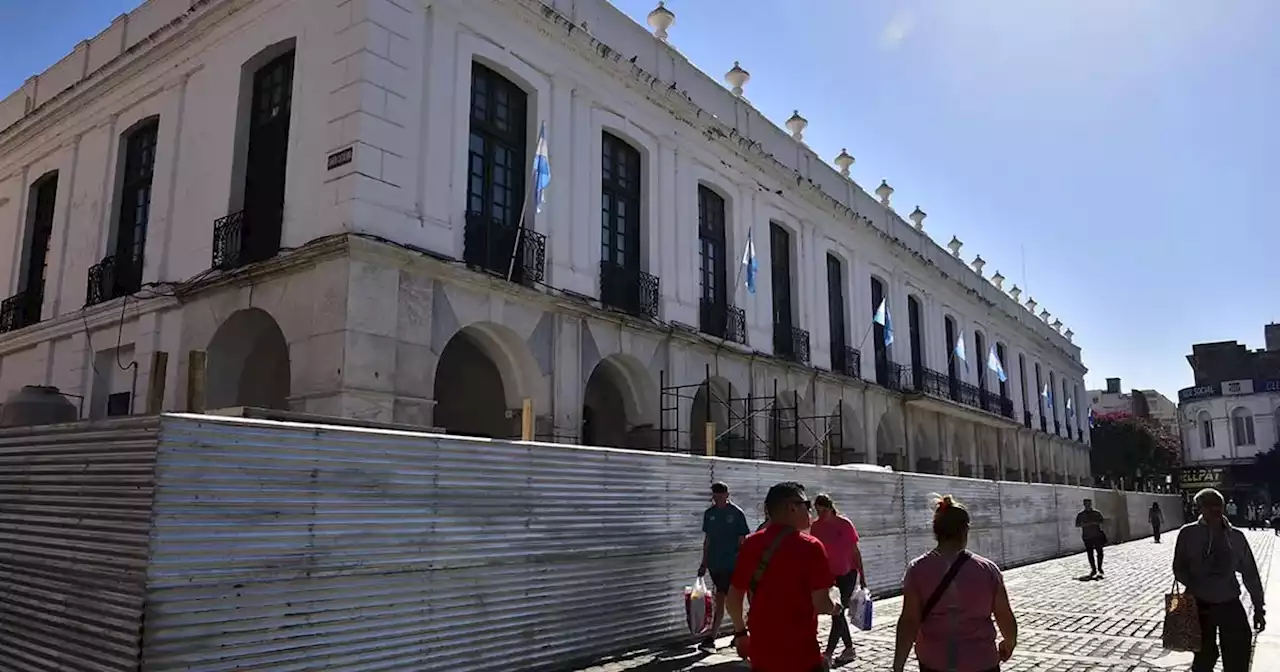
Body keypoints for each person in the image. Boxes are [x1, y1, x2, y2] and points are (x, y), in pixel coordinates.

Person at [893, 495, 1017, 672]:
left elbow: (909, 621)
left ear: (936, 531)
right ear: (964, 530)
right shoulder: (988, 570)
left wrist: (898, 665)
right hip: (981, 661)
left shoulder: (917, 570)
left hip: (934, 662)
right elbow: (1004, 615)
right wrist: (1010, 641)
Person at [726, 482, 835, 672]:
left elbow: (734, 597)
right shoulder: (811, 547)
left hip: (762, 655)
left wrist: (741, 632)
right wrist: (836, 605)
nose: (811, 512)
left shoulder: (751, 543)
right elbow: (822, 603)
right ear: (792, 507)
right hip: (801, 656)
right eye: (807, 506)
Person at [1173, 488, 1266, 672]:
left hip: (1229, 600)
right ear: (1199, 508)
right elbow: (1178, 567)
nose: (1215, 509)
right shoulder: (1188, 534)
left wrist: (1258, 606)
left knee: (1238, 653)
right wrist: (1194, 583)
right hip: (1200, 603)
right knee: (1204, 656)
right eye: (1209, 506)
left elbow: (1250, 573)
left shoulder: (1235, 536)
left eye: (1218, 505)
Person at [811, 494, 867, 667]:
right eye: (817, 511)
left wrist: (862, 575)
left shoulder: (844, 524)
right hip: (829, 575)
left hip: (847, 573)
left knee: (838, 612)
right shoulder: (816, 527)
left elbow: (855, 550)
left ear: (830, 508)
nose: (821, 514)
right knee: (838, 612)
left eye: (823, 511)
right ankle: (849, 648)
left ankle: (828, 653)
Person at [697, 482, 750, 651]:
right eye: (715, 496)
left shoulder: (736, 513)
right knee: (720, 599)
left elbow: (742, 540)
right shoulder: (710, 514)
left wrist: (743, 562)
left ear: (727, 495)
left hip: (732, 563)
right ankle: (725, 634)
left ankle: (736, 633)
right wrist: (704, 563)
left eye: (721, 495)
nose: (717, 499)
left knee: (731, 600)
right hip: (715, 563)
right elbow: (708, 540)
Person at [1075, 498, 1107, 578]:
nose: (1087, 505)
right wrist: (1086, 525)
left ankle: (1099, 567)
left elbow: (1102, 521)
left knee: (1100, 553)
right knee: (1090, 554)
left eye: (1089, 504)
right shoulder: (1081, 515)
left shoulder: (1096, 513)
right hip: (1087, 536)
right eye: (1086, 504)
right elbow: (1077, 525)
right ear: (1084, 505)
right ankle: (1093, 569)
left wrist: (1094, 523)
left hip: (1097, 535)